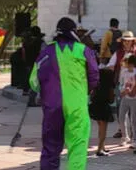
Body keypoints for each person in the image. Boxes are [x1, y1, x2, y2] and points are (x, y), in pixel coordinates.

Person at [29, 17, 99, 170]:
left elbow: (33, 82)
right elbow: (94, 76)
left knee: (50, 148)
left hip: (52, 107)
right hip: (77, 106)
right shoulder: (83, 50)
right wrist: (85, 91)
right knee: (77, 147)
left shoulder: (46, 52)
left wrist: (46, 89)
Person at [106, 30, 136, 139]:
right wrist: (110, 68)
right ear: (122, 42)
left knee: (133, 111)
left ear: (132, 42)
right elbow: (111, 64)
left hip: (134, 85)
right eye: (125, 41)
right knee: (121, 108)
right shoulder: (118, 53)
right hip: (121, 84)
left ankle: (133, 133)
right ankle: (122, 131)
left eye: (129, 41)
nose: (127, 43)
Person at [89, 68, 116, 156]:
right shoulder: (109, 86)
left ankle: (102, 147)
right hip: (104, 107)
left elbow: (92, 95)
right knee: (103, 130)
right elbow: (111, 100)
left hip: (95, 106)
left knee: (100, 127)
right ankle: (100, 149)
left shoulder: (97, 84)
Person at [118, 54, 136, 148]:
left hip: (135, 98)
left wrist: (131, 91)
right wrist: (123, 91)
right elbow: (122, 84)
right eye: (126, 61)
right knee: (121, 117)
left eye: (129, 62)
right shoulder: (124, 72)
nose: (128, 64)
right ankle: (125, 136)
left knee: (133, 119)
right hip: (125, 97)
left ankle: (135, 138)